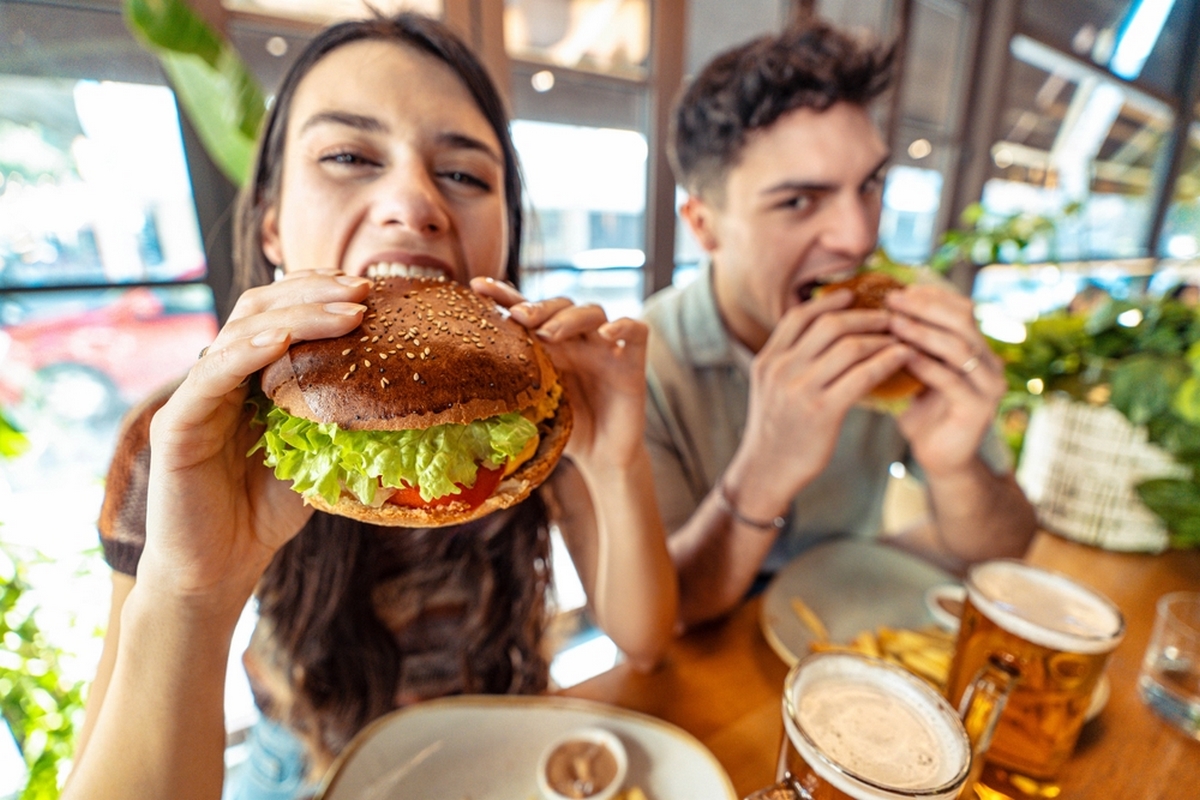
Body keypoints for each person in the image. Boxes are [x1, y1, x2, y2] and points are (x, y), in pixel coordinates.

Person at [64, 13, 676, 800]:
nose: (414, 201)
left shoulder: (525, 408)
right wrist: (193, 596)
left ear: (504, 233)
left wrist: (615, 459)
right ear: (273, 225)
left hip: (508, 751)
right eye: (349, 156)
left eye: (464, 174)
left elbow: (644, 642)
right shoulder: (181, 437)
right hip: (299, 774)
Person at [645, 22, 1037, 628]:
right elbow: (665, 614)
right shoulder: (645, 365)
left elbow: (1002, 547)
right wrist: (763, 472)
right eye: (799, 201)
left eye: (870, 185)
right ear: (704, 225)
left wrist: (955, 465)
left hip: (850, 621)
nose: (858, 237)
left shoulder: (915, 316)